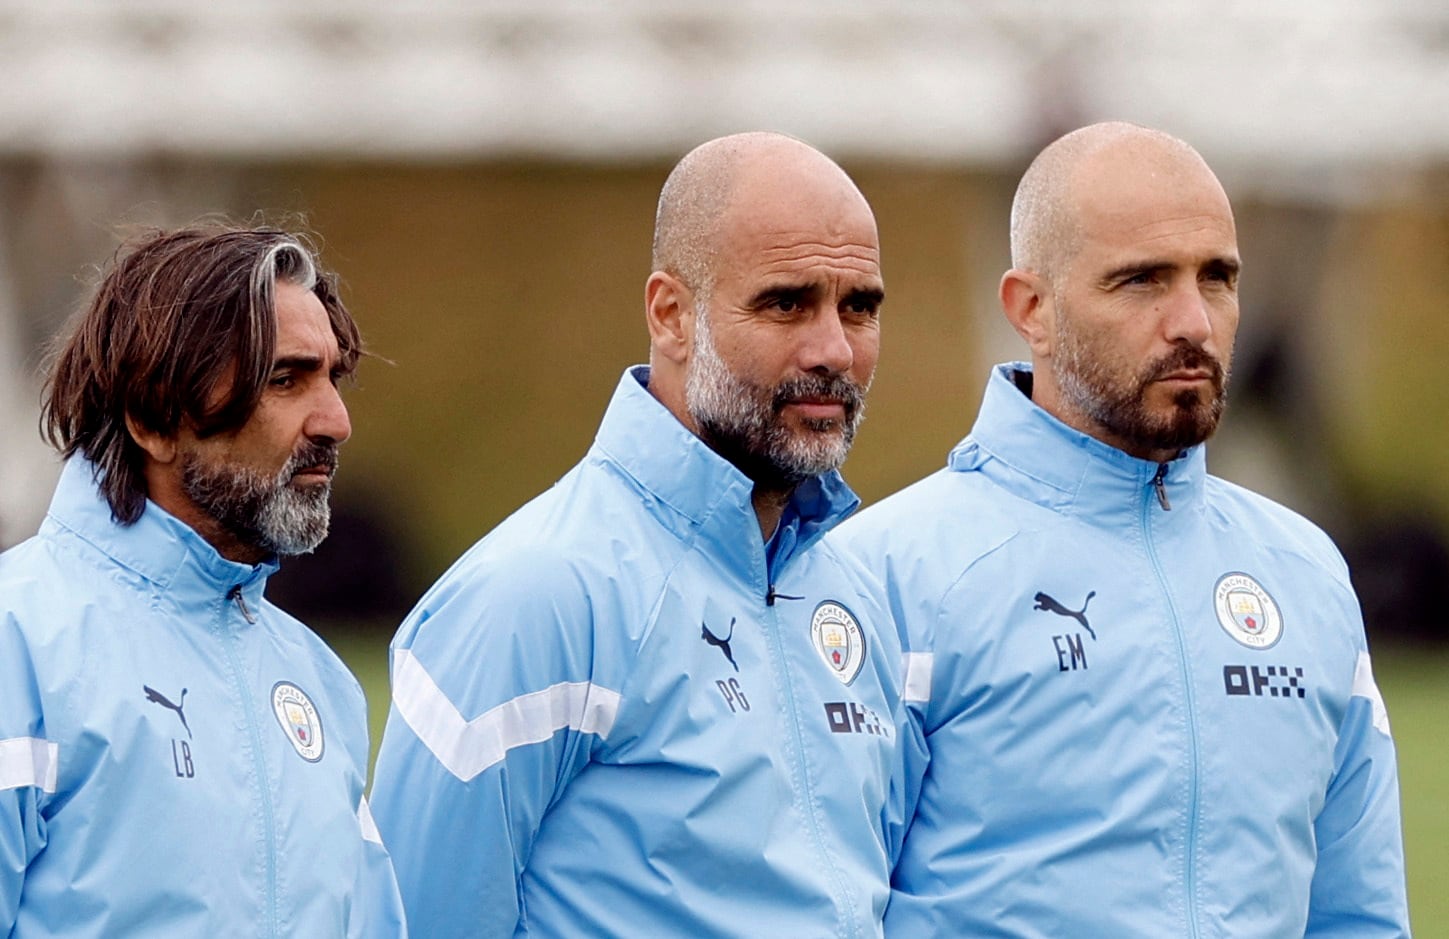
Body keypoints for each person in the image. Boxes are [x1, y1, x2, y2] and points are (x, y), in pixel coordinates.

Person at [837, 122, 1411, 936]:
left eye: (1216, 278)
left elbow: (1358, 917)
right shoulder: (879, 576)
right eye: (1141, 280)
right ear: (1029, 309)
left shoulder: (1304, 572)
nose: (1192, 322)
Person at [369, 132, 910, 937]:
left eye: (858, 307)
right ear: (670, 315)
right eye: (786, 302)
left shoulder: (855, 595)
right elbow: (413, 919)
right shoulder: (535, 593)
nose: (833, 348)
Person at [0, 223, 406, 937]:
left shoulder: (322, 681)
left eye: (332, 378)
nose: (336, 421)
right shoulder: (19, 639)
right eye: (286, 378)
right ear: (153, 419)